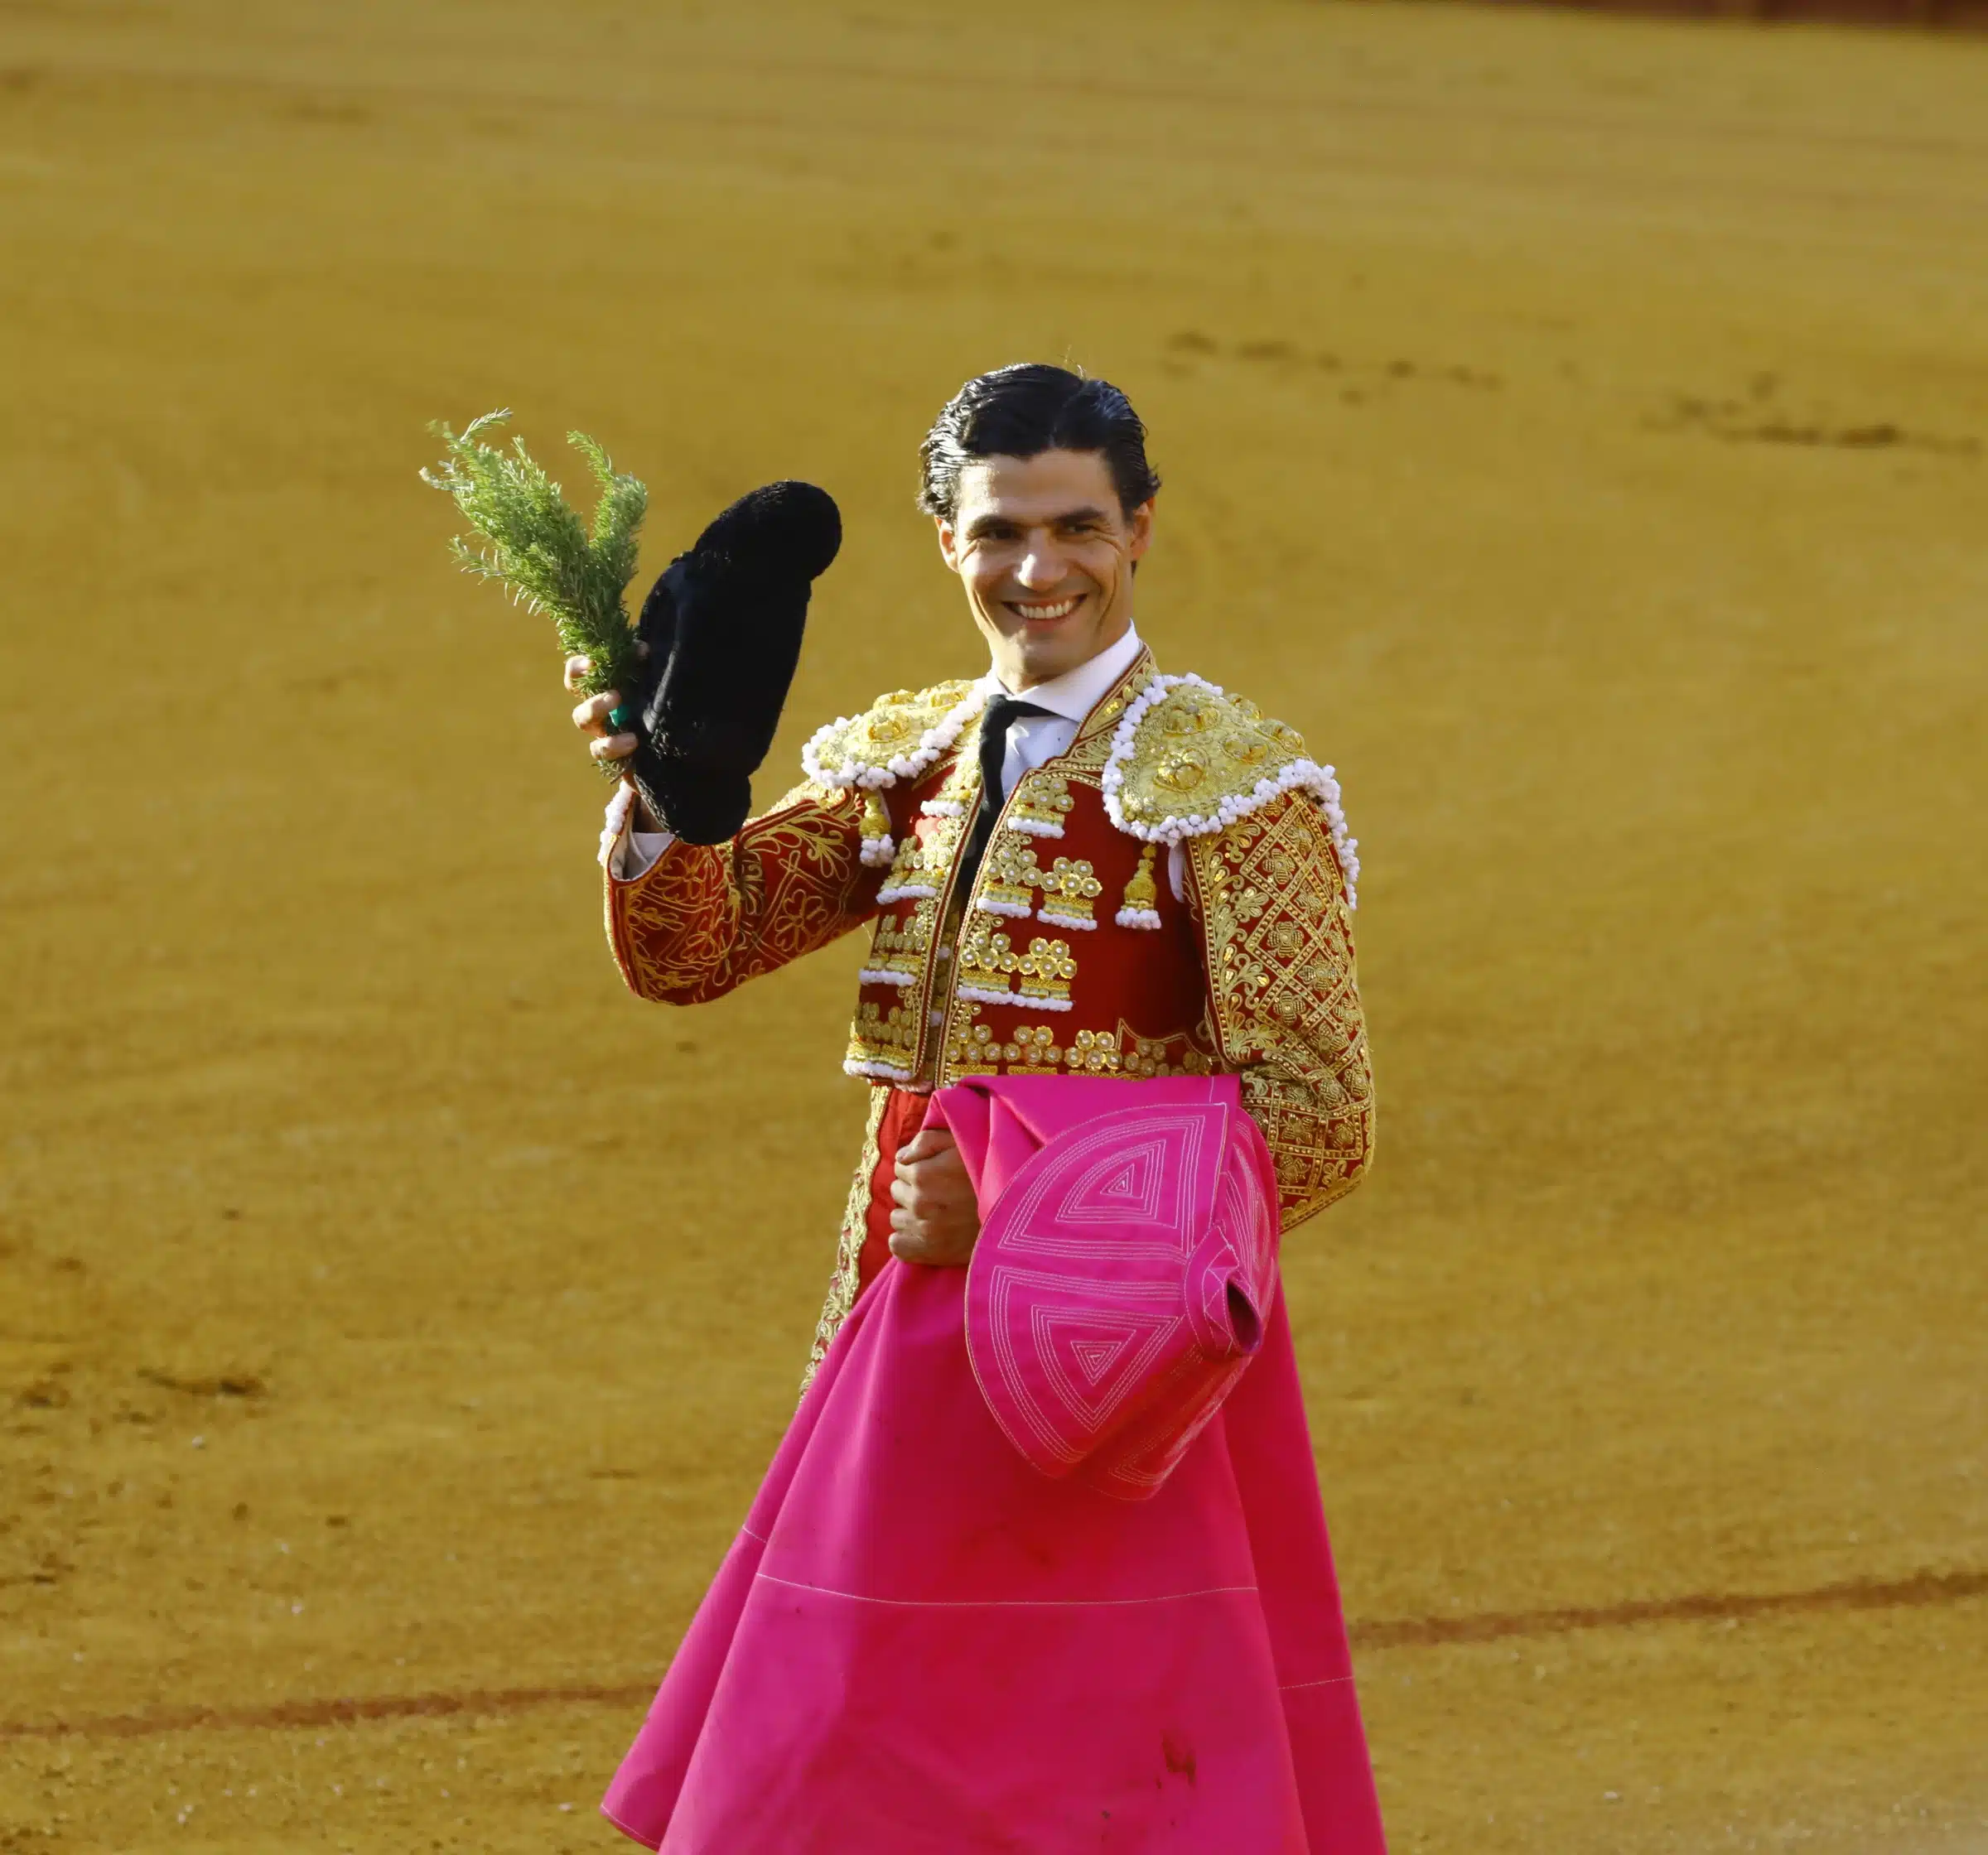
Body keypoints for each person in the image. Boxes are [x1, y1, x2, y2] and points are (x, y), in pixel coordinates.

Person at [571, 364, 1382, 1852]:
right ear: (948, 538)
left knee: (1077, 1766)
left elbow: (1319, 1113)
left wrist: (1023, 1203)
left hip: (1107, 1368)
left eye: (1076, 527)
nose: (1039, 570)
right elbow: (701, 948)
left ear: (1141, 531)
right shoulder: (918, 762)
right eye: (1002, 532)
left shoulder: (1232, 789)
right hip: (889, 1331)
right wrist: (679, 798)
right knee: (848, 1745)